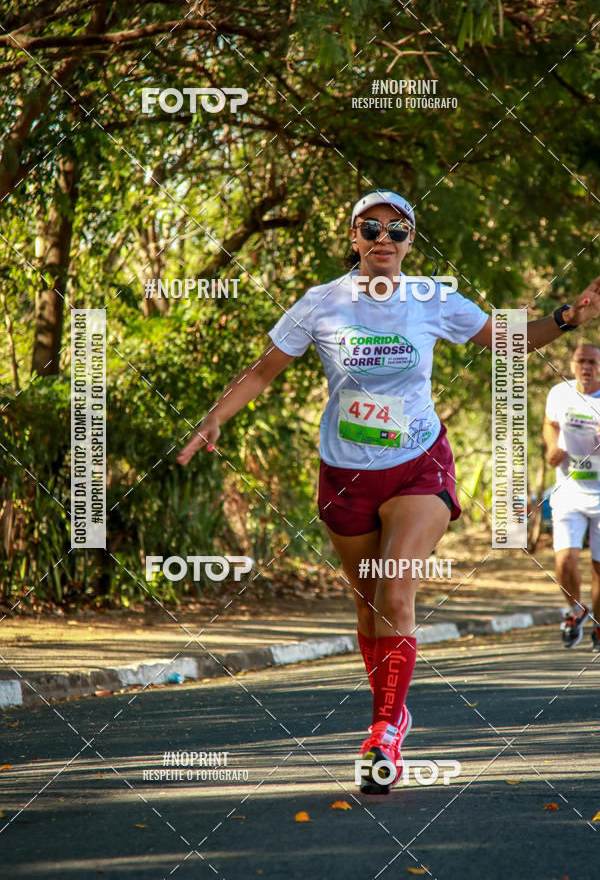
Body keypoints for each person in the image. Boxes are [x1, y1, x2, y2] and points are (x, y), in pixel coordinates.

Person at [177, 189, 600, 794]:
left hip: (417, 465)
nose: (383, 239)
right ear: (354, 238)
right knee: (369, 603)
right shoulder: (322, 302)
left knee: (395, 589)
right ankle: (389, 708)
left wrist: (566, 318)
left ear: (409, 242)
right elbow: (264, 370)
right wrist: (217, 416)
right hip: (344, 473)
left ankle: (384, 731)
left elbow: (503, 341)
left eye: (396, 231)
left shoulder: (433, 298)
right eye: (370, 228)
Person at [543, 344, 600, 650]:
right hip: (568, 490)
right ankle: (575, 610)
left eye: (592, 361)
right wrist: (552, 447)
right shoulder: (559, 394)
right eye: (581, 361)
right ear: (573, 364)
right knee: (565, 560)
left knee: (598, 567)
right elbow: (550, 424)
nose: (586, 367)